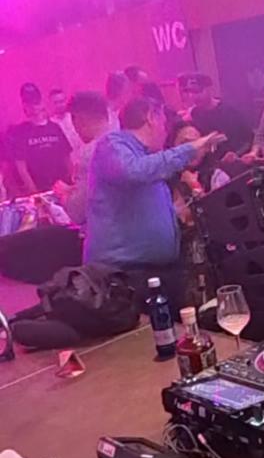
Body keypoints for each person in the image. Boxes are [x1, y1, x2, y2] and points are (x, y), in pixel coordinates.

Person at [84, 97, 223, 313]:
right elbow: (134, 171)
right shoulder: (113, 144)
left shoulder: (148, 158)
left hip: (159, 272)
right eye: (164, 124)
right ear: (150, 117)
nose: (165, 132)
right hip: (123, 275)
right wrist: (191, 148)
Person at [6, 82, 73, 195]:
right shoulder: (20, 132)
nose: (33, 106)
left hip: (62, 187)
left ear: (42, 102)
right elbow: (21, 167)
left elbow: (67, 157)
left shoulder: (55, 128)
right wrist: (34, 192)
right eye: (29, 103)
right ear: (24, 105)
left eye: (36, 102)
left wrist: (71, 183)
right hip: (40, 191)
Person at [54, 91, 110, 224]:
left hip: (105, 230)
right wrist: (74, 190)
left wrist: (63, 195)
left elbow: (77, 212)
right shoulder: (123, 140)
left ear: (80, 120)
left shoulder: (90, 154)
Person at [178, 73, 253, 157]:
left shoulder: (229, 111)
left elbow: (247, 139)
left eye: (197, 91)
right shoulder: (194, 114)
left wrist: (235, 155)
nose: (193, 96)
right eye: (190, 92)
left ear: (210, 89)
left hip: (233, 158)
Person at [46, 88, 80, 152]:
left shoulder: (75, 118)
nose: (59, 105)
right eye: (56, 103)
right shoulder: (49, 125)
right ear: (50, 104)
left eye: (61, 101)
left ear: (66, 101)